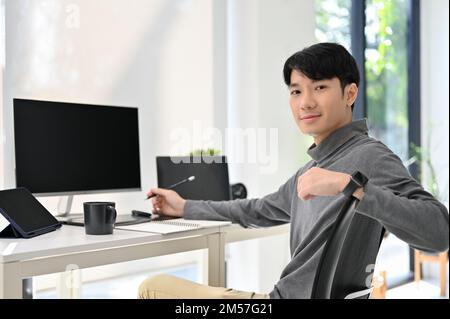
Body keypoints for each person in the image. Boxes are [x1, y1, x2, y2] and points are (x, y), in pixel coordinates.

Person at [138, 42, 449, 299]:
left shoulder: (368, 157)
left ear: (350, 94)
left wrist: (351, 186)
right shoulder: (314, 168)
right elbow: (256, 210)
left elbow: (439, 233)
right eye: (296, 91)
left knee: (151, 288)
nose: (306, 102)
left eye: (320, 87)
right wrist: (184, 206)